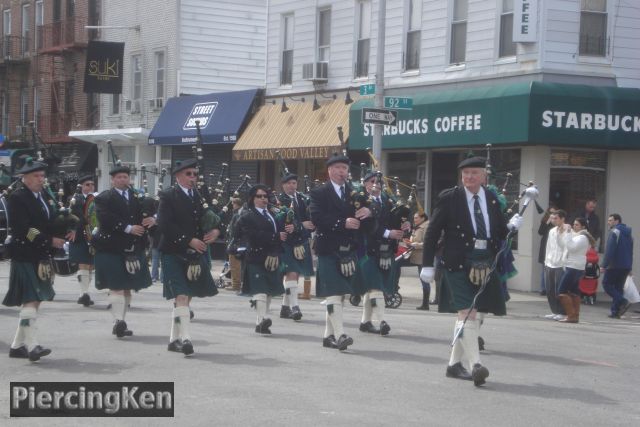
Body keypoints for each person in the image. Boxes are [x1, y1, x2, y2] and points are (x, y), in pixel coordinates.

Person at [420, 156, 521, 387]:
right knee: (468, 313)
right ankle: (476, 364)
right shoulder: (450, 198)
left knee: (468, 314)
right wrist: (427, 264)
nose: (469, 177)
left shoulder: (492, 198)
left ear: (484, 176)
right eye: (465, 173)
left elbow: (497, 231)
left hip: (484, 262)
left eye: (474, 173)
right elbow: (433, 232)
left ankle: (454, 365)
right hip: (456, 263)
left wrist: (511, 228)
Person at [3, 158, 69, 361]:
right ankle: (33, 346)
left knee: (35, 300)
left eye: (42, 176)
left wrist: (67, 226)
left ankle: (16, 346)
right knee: (31, 299)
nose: (41, 179)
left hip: (41, 254)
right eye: (36, 176)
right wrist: (48, 240)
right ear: (25, 178)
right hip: (25, 253)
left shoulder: (44, 196)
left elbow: (50, 220)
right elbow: (23, 229)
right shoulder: (18, 197)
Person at [309, 152, 373, 351]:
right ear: (329, 171)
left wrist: (369, 212)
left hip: (348, 250)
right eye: (337, 168)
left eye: (344, 168)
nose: (341, 172)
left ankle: (328, 336)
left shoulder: (356, 193)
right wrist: (342, 222)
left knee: (340, 295)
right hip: (328, 248)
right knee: (334, 293)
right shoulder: (319, 193)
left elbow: (372, 217)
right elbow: (317, 218)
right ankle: (340, 334)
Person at [157, 159, 219, 355]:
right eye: (188, 174)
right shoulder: (168, 196)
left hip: (195, 254)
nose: (193, 177)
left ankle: (173, 340)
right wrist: (188, 240)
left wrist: (216, 231)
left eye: (194, 174)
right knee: (181, 296)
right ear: (177, 176)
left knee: (186, 298)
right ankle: (186, 339)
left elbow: (214, 218)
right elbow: (164, 225)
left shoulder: (200, 196)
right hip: (173, 251)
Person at [93, 164, 155, 339]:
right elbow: (104, 218)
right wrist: (128, 228)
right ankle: (119, 321)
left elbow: (152, 208)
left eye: (125, 177)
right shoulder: (104, 197)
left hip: (133, 248)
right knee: (116, 287)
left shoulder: (137, 196)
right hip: (111, 247)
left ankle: (120, 322)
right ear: (112, 180)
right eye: (119, 177)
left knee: (126, 288)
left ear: (129, 179)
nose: (123, 180)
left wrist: (153, 218)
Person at [354, 171, 406, 336]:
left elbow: (400, 214)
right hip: (366, 249)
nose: (375, 184)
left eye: (378, 181)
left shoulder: (387, 200)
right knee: (375, 286)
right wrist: (387, 233)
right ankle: (382, 321)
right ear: (365, 184)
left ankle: (365, 322)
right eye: (371, 181)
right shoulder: (360, 201)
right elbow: (367, 225)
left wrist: (406, 224)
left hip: (385, 249)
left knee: (374, 287)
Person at [237, 184, 286, 335]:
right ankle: (264, 318)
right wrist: (275, 237)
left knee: (269, 290)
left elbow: (280, 233)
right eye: (260, 196)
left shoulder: (272, 214)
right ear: (253, 199)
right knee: (260, 290)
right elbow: (252, 235)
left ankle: (260, 323)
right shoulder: (247, 216)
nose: (264, 199)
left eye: (265, 196)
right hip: (256, 257)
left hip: (272, 256)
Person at [278, 172, 315, 321]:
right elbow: (283, 223)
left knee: (295, 274)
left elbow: (310, 221)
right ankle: (295, 307)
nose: (291, 186)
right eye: (288, 183)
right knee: (291, 273)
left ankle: (285, 308)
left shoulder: (302, 199)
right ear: (283, 185)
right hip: (287, 242)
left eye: (294, 183)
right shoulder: (279, 200)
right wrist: (301, 225)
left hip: (302, 241)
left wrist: (307, 226)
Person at [556, 217, 595, 323]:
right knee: (574, 291)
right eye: (574, 224)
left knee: (562, 291)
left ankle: (571, 315)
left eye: (577, 224)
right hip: (574, 266)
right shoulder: (578, 236)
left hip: (574, 267)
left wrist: (568, 233)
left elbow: (571, 247)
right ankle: (574, 315)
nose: (574, 226)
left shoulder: (582, 237)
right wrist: (561, 233)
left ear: (583, 226)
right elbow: (563, 245)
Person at [68, 175, 97, 306]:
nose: (90, 187)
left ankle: (83, 294)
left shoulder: (96, 200)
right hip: (80, 235)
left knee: (90, 266)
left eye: (92, 184)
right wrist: (73, 229)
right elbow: (75, 216)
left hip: (93, 236)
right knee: (83, 264)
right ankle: (84, 293)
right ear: (81, 187)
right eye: (87, 184)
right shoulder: (75, 199)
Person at [601, 213, 634, 318]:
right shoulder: (629, 234)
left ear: (617, 221)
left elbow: (610, 250)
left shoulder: (614, 232)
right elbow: (630, 251)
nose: (608, 223)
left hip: (614, 265)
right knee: (618, 288)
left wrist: (604, 265)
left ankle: (623, 301)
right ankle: (615, 311)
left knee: (606, 284)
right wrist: (630, 267)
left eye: (610, 220)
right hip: (625, 265)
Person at [543, 210, 568, 321]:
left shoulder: (567, 230)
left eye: (556, 218)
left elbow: (564, 246)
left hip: (560, 263)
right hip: (550, 262)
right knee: (549, 288)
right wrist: (546, 260)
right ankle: (554, 311)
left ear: (562, 219)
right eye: (552, 218)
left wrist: (561, 233)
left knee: (559, 289)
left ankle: (562, 312)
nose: (553, 220)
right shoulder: (552, 231)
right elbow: (548, 246)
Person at [410, 212, 429, 310]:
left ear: (423, 218)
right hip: (416, 256)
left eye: (416, 218)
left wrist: (417, 245)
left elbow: (428, 242)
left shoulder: (426, 226)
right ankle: (425, 304)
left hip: (423, 256)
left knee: (424, 279)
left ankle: (425, 304)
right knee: (423, 279)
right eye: (414, 218)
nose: (414, 219)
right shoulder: (417, 226)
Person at [537, 204, 557, 296]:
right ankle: (543, 288)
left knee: (551, 269)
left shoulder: (557, 223)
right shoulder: (545, 221)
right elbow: (540, 232)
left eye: (554, 213)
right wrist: (547, 221)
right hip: (545, 246)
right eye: (550, 212)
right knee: (544, 269)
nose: (552, 214)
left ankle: (550, 288)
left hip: (554, 247)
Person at [225, 197, 245, 292]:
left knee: (234, 265)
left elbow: (233, 231)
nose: (232, 205)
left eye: (233, 203)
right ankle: (237, 283)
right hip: (240, 244)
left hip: (235, 244)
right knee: (237, 265)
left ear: (237, 204)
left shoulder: (237, 214)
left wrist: (231, 242)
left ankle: (236, 284)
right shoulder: (241, 213)